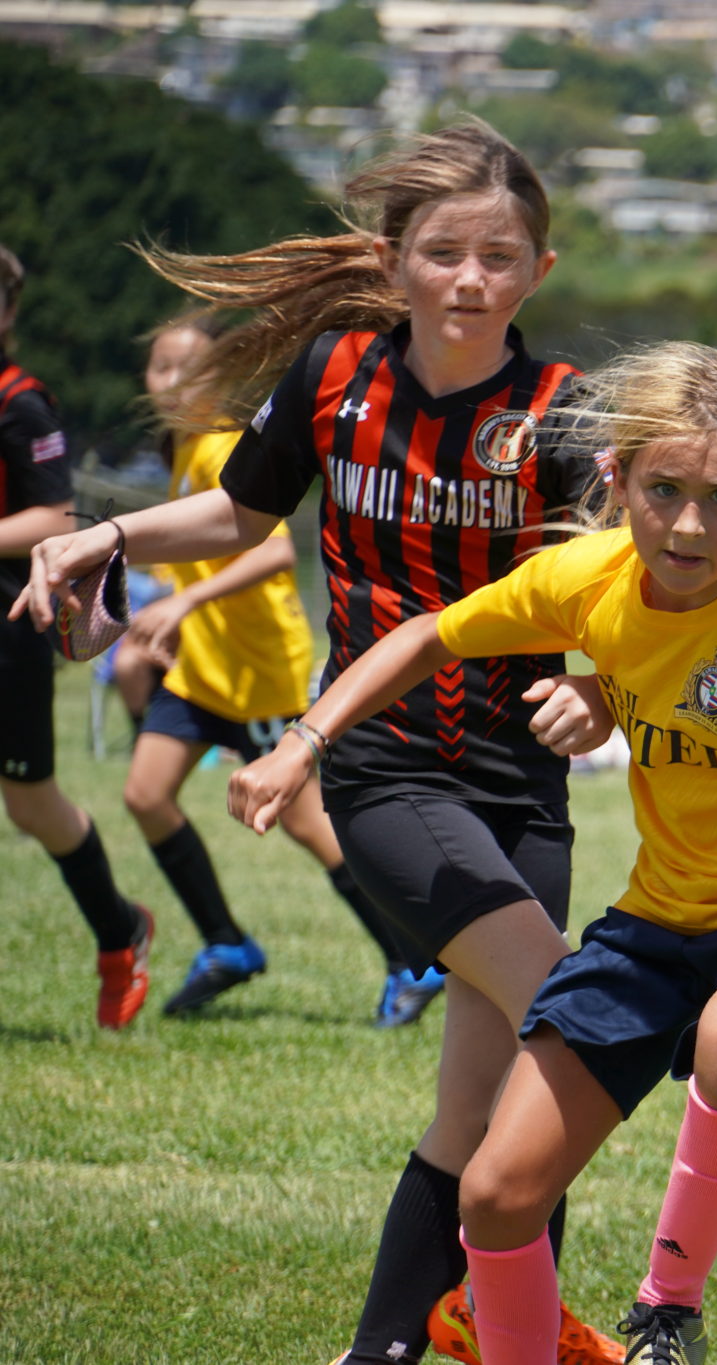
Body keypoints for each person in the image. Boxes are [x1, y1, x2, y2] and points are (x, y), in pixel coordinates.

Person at [221, 342, 717, 1365]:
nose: (691, 525)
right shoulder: (587, 577)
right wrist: (304, 741)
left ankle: (668, 1311)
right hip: (658, 918)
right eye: (665, 490)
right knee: (498, 1194)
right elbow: (428, 635)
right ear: (616, 481)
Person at [10, 122, 622, 1365]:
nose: (468, 279)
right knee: (578, 1013)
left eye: (498, 257)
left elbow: (620, 590)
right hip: (383, 766)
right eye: (442, 252)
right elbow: (242, 509)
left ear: (537, 272)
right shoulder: (337, 374)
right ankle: (539, 1317)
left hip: (523, 789)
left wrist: (601, 695)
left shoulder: (560, 414)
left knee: (482, 1111)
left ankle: (389, 1343)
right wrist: (101, 537)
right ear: (394, 260)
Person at [124, 314, 442, 1024]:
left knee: (307, 825)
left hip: (260, 671)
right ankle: (226, 942)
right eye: (159, 366)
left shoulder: (213, 448)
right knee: (146, 794)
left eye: (189, 368)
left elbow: (268, 552)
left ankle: (410, 963)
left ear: (220, 380)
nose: (172, 380)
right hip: (206, 669)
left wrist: (184, 604)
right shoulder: (181, 448)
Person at [0, 241, 156, 1029]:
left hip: (10, 627)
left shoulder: (20, 401)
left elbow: (54, 518)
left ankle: (120, 929)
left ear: (9, 311)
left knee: (30, 803)